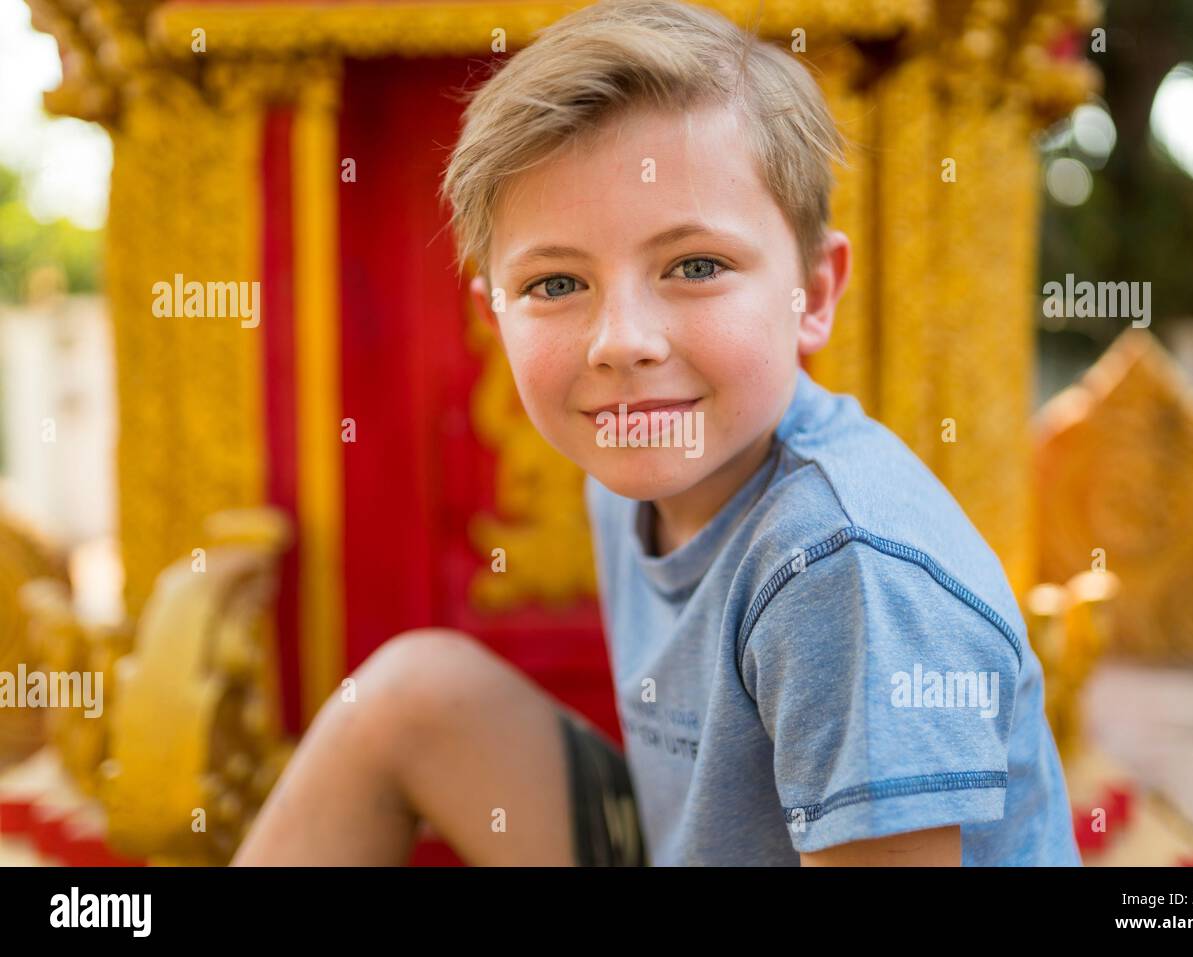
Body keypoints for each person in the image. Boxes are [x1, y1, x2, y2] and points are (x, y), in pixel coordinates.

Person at [234, 0, 1081, 867]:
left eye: (696, 267)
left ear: (815, 293)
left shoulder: (843, 569)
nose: (622, 341)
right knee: (410, 693)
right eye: (557, 284)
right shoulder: (633, 467)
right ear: (494, 318)